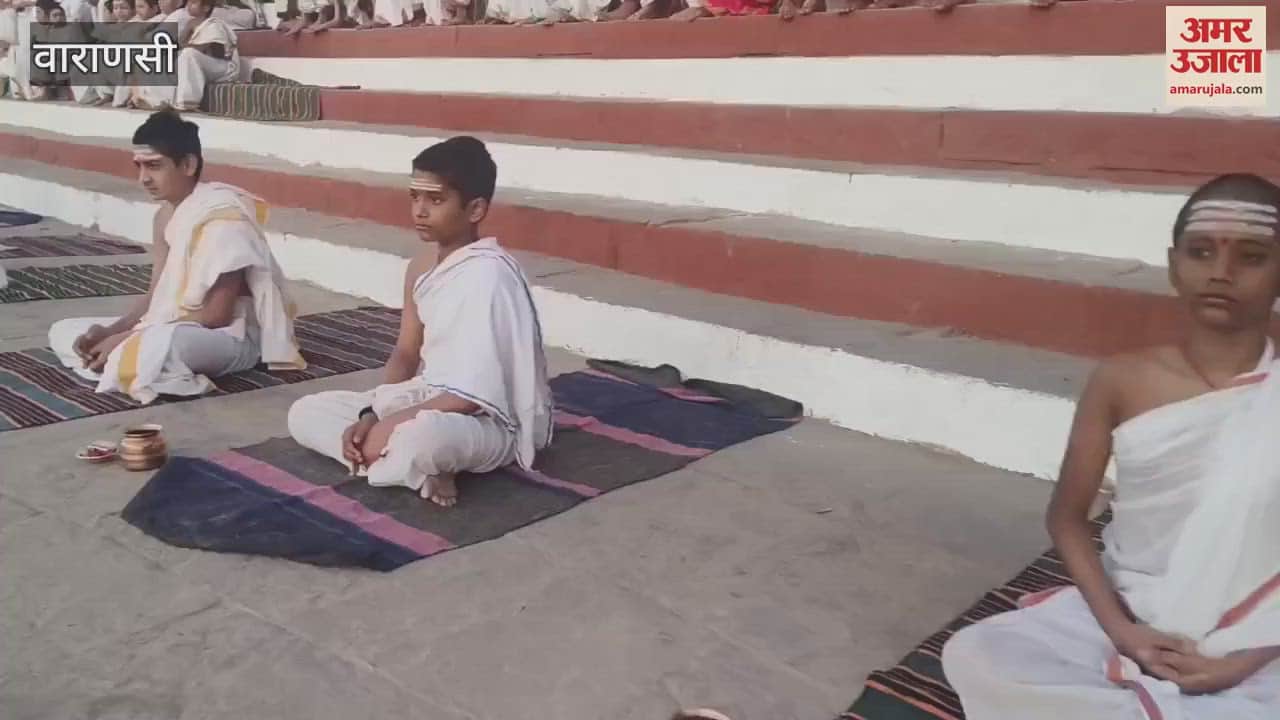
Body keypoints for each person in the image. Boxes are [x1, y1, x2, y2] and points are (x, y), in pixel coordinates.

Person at [941, 173, 1280, 718]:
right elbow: (1068, 518)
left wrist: (1248, 656)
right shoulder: (1122, 380)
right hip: (1134, 603)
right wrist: (1125, 632)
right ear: (1174, 266)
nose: (1221, 273)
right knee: (981, 654)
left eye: (1252, 256)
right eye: (1201, 252)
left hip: (1261, 628)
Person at [288, 137, 553, 508]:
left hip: (483, 417)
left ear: (475, 209)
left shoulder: (490, 275)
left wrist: (390, 427)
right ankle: (409, 466)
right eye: (415, 197)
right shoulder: (419, 267)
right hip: (427, 393)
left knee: (424, 437)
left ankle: (399, 460)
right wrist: (373, 413)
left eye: (436, 200)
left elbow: (472, 395)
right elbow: (406, 351)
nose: (419, 211)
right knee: (306, 413)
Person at [48, 111, 305, 404]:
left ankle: (127, 361)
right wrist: (113, 329)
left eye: (154, 166)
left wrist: (127, 339)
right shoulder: (163, 217)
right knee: (65, 330)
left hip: (228, 337)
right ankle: (127, 362)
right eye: (139, 167)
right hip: (168, 324)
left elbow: (216, 315)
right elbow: (155, 295)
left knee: (160, 344)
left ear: (188, 164)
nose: (144, 178)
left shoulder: (223, 219)